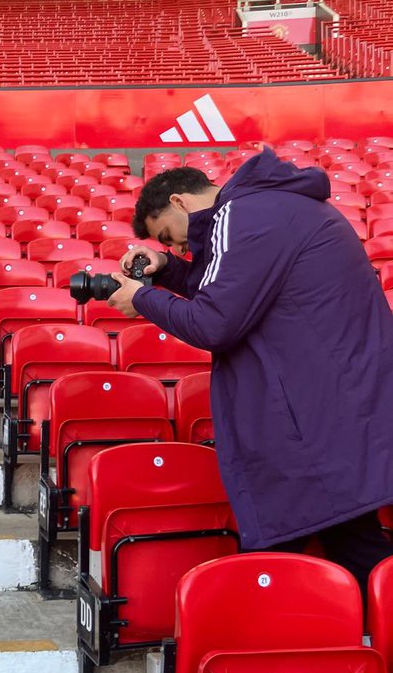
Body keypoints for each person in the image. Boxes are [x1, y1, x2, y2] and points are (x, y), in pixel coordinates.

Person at [106, 147, 393, 594]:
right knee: (353, 543)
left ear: (180, 202)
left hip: (311, 419)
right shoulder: (275, 204)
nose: (180, 248)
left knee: (277, 563)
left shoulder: (240, 214)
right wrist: (166, 273)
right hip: (336, 410)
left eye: (171, 237)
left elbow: (214, 322)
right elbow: (241, 286)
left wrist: (142, 299)